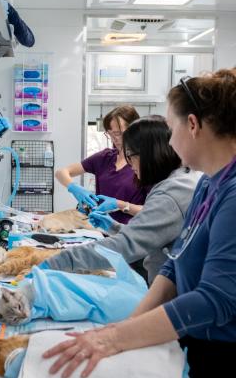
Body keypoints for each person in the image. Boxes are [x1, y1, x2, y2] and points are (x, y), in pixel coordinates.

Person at [43, 69, 236, 378]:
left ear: (193, 125)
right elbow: (174, 263)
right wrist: (126, 331)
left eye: (169, 128)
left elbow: (217, 299)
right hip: (196, 343)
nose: (167, 141)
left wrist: (116, 337)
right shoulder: (207, 186)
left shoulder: (232, 194)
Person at [45, 116, 200, 283]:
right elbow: (148, 233)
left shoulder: (170, 194)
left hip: (165, 282)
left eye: (131, 156)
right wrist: (112, 226)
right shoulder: (178, 180)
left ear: (149, 154)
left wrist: (55, 262)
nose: (130, 164)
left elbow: (127, 244)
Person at [55, 105, 147, 224]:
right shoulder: (105, 158)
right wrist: (73, 188)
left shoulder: (145, 163)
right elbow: (61, 173)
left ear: (134, 129)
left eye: (118, 133)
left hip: (128, 234)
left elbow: (154, 212)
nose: (115, 139)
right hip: (99, 231)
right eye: (110, 134)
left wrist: (121, 205)